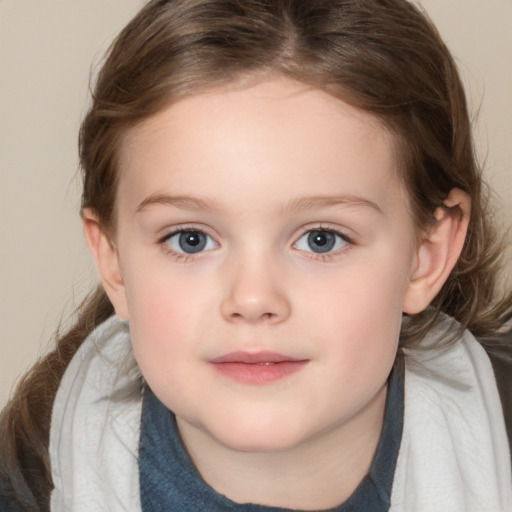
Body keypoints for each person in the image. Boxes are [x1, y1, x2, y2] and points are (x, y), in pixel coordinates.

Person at [1, 0, 511, 510]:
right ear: (112, 260)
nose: (252, 299)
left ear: (426, 253)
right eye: (190, 239)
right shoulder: (29, 482)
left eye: (321, 239)